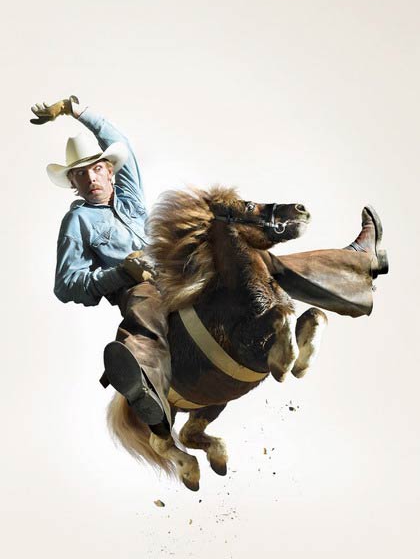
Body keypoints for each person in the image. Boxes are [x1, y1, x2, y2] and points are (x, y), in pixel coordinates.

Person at [31, 96, 388, 435]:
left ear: (110, 171)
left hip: (178, 262)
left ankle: (357, 264)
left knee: (255, 262)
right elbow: (67, 284)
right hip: (140, 284)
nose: (91, 179)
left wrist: (77, 111)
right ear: (73, 183)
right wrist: (122, 272)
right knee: (144, 307)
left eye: (96, 169)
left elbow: (118, 141)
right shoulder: (77, 222)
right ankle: (146, 387)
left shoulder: (128, 196)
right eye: (81, 174)